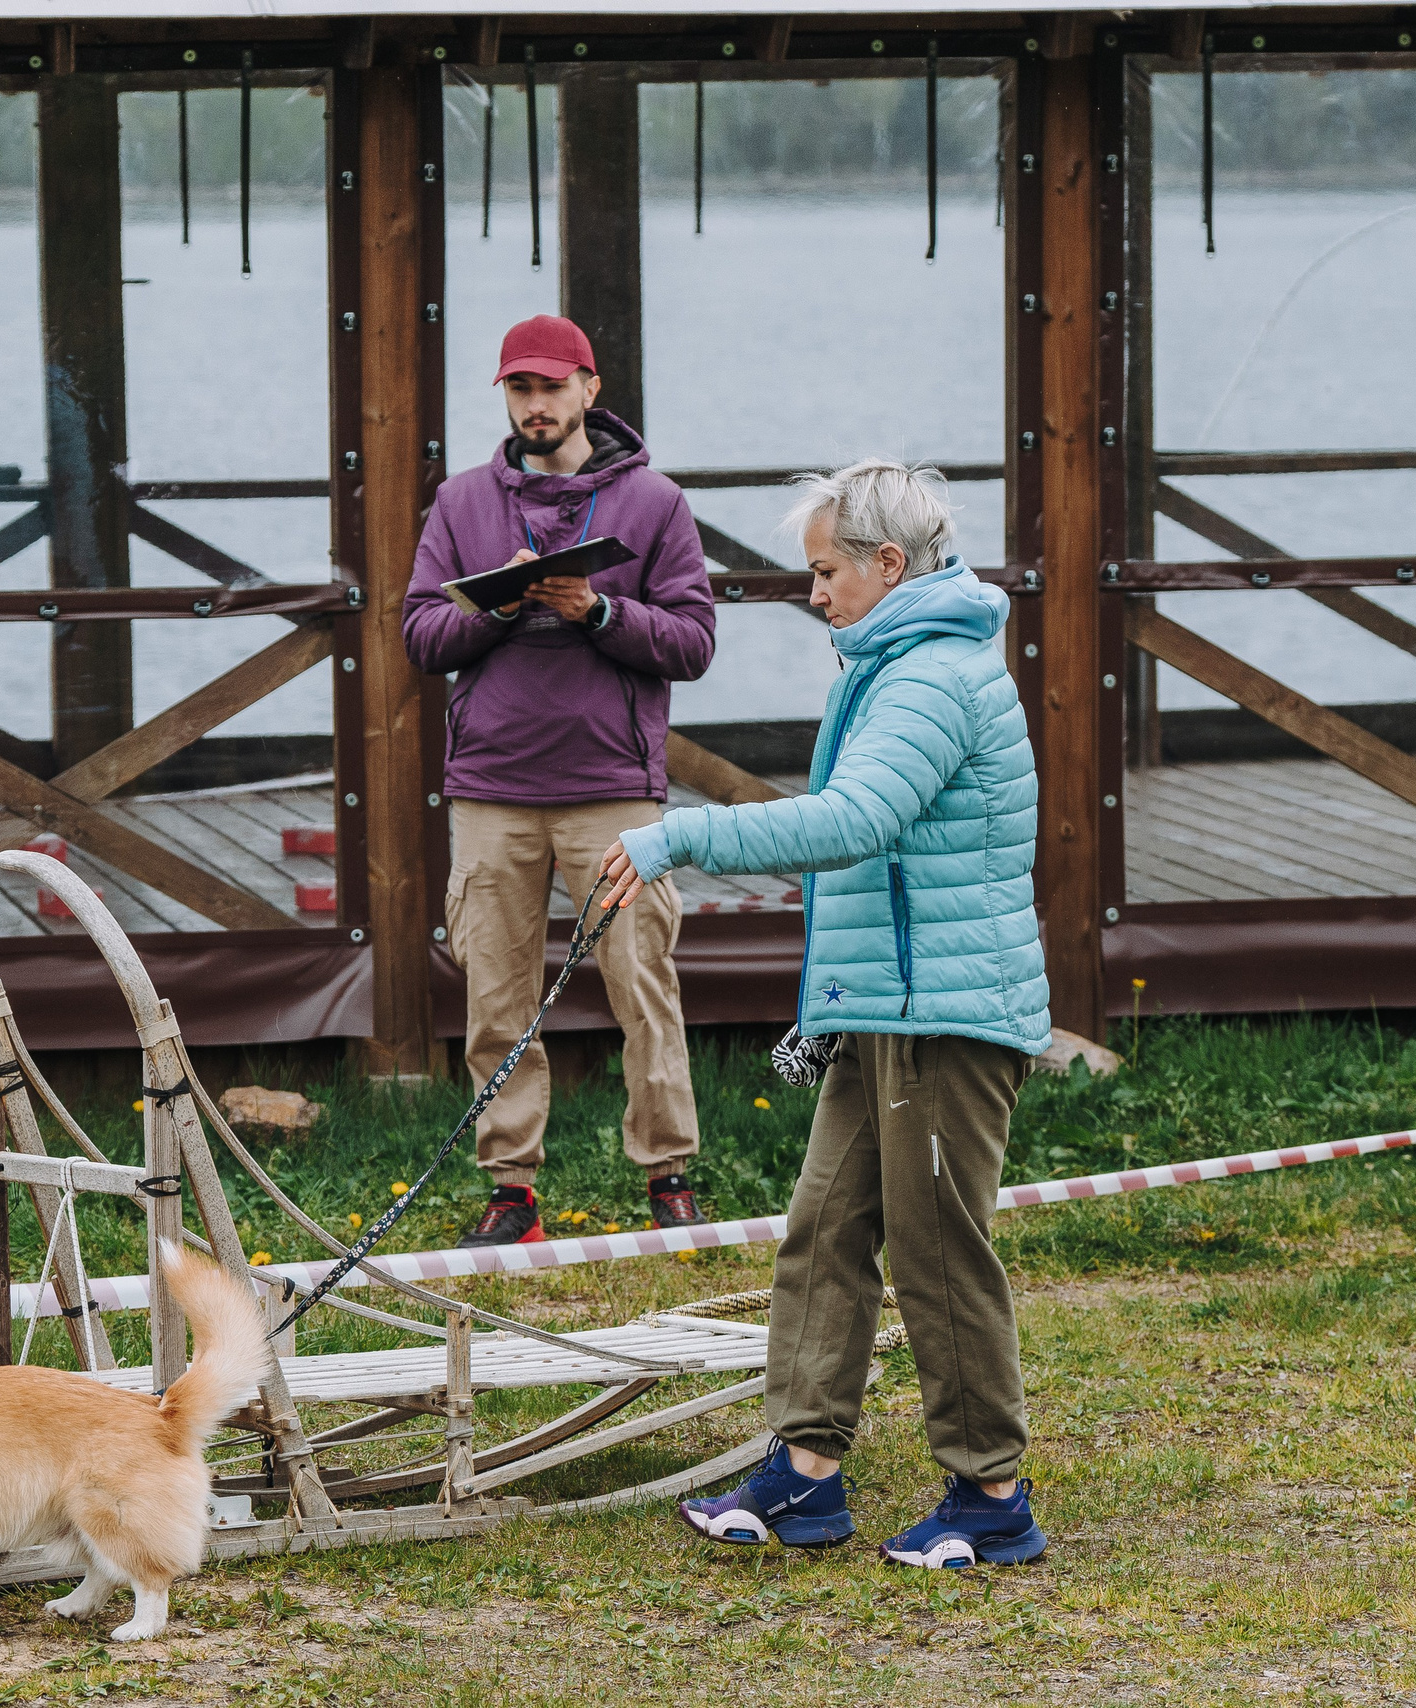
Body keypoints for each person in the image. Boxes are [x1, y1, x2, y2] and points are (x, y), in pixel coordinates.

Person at [598, 458, 1053, 1569]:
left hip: (942, 1015)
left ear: (888, 564)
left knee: (936, 1253)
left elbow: (851, 822)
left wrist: (678, 836)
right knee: (823, 1232)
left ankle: (991, 1495)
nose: (814, 594)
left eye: (825, 572)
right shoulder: (896, 662)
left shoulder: (930, 676)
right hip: (886, 1009)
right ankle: (803, 1475)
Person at [403, 314, 717, 1248]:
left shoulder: (655, 503)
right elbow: (420, 635)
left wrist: (598, 610)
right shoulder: (461, 502)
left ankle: (669, 1174)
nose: (535, 404)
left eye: (550, 386)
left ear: (590, 388)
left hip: (614, 787)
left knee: (643, 986)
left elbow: (693, 643)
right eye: (519, 388)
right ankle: (512, 1191)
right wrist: (499, 604)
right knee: (495, 999)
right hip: (491, 790)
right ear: (506, 397)